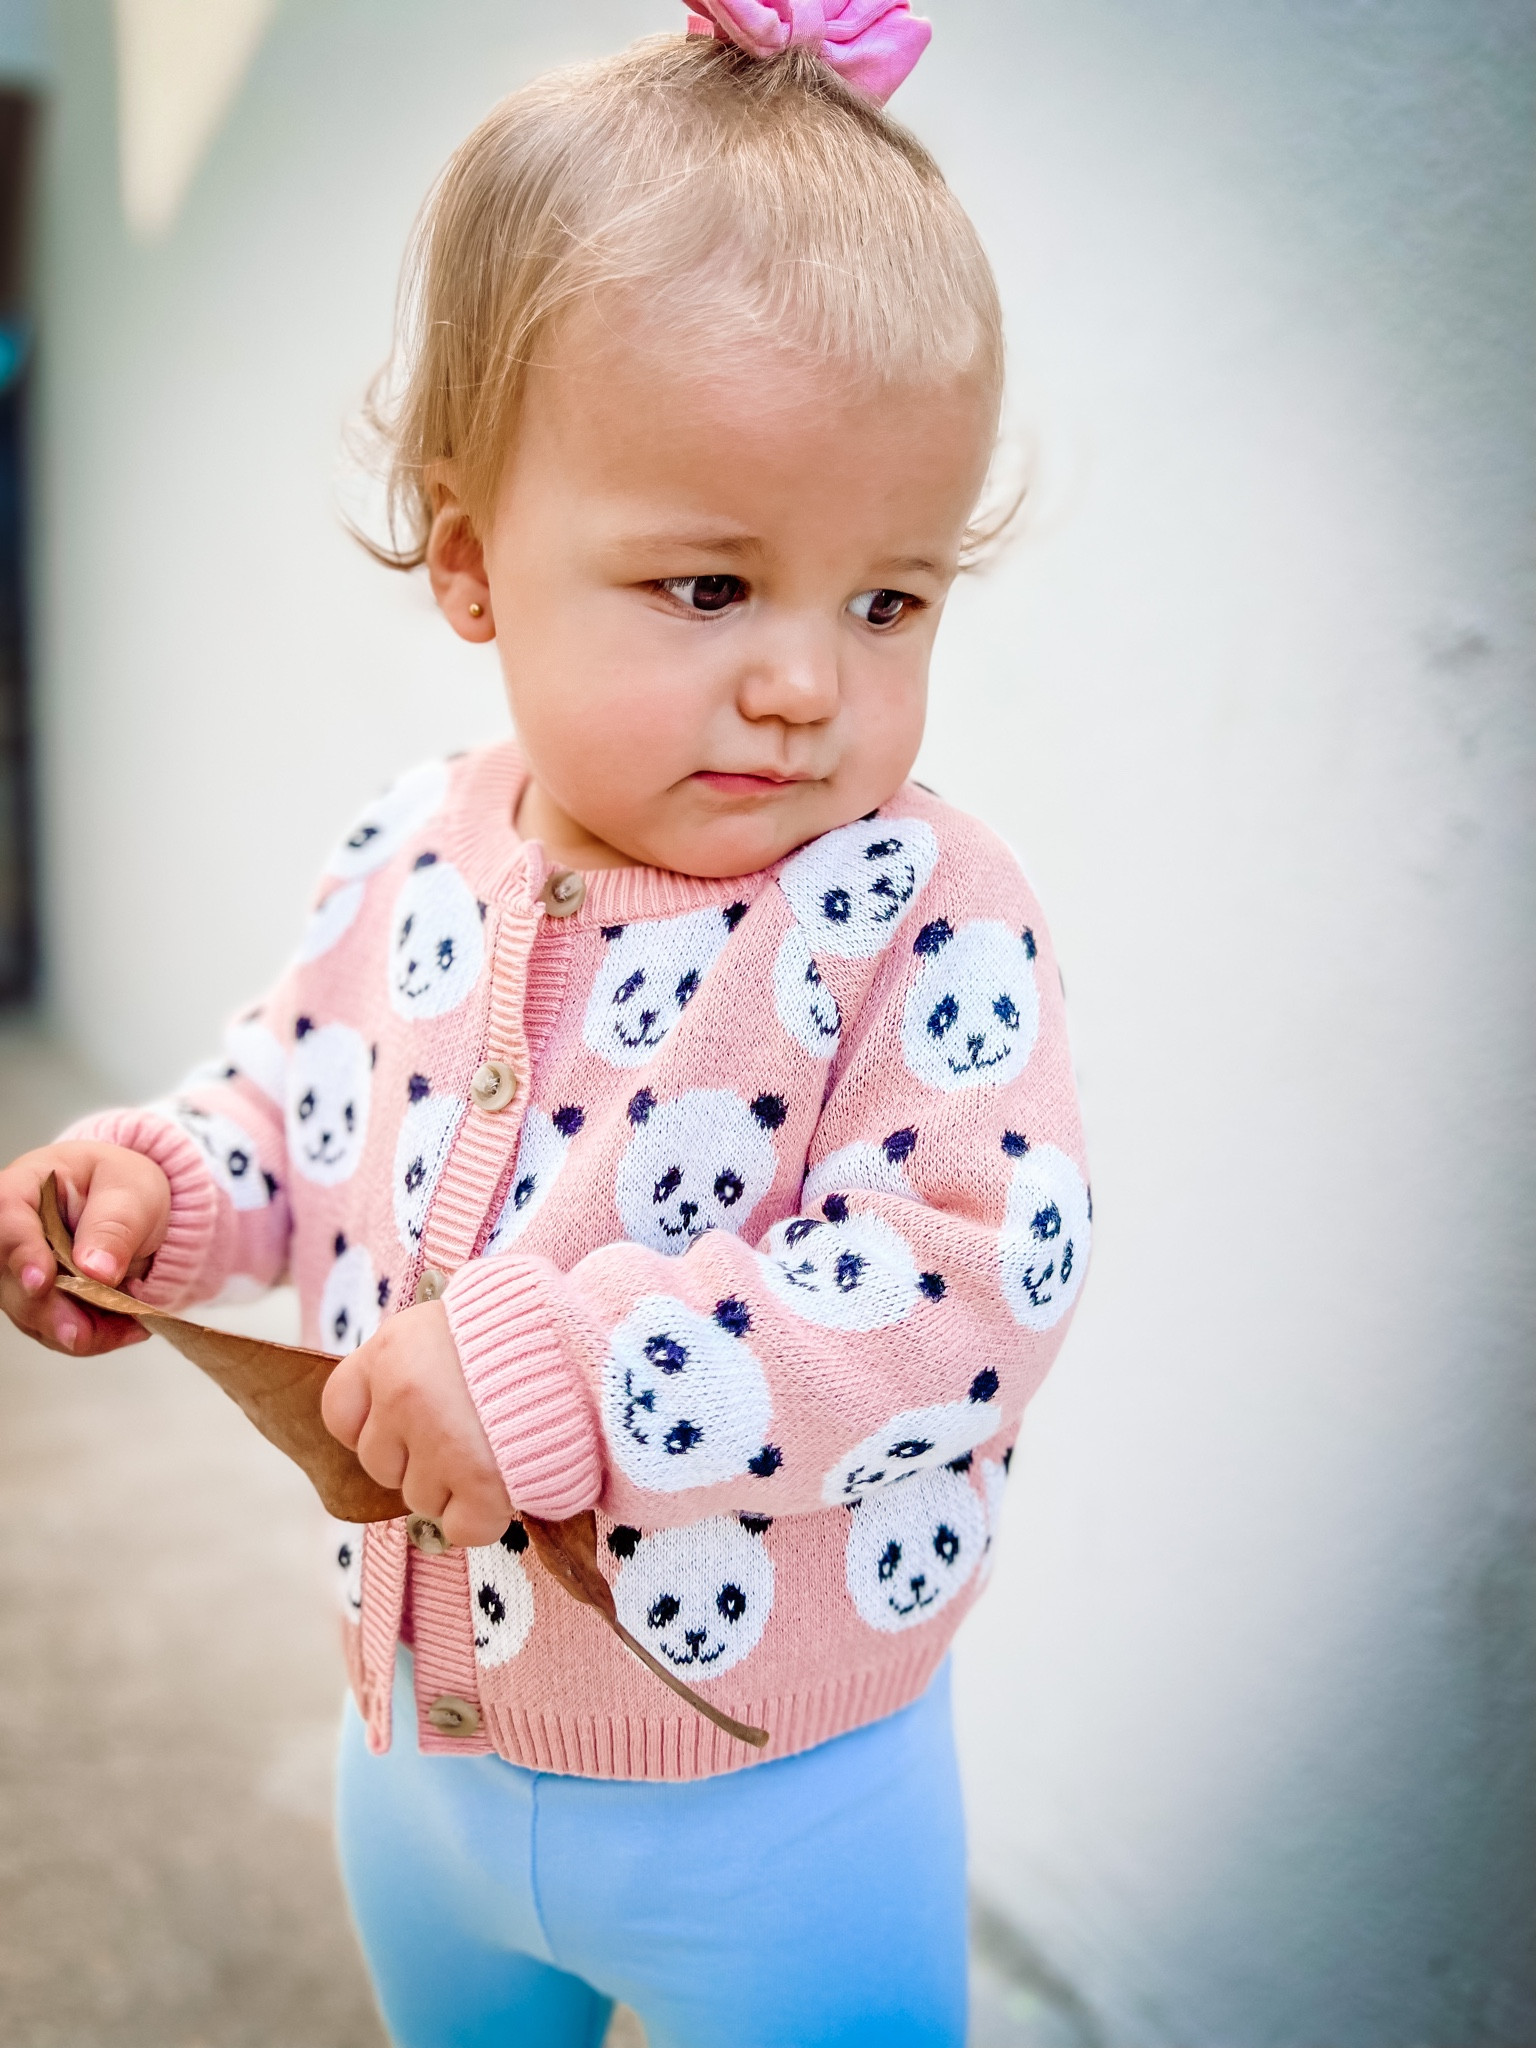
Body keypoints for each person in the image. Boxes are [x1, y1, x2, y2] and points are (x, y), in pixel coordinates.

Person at [0, 7, 1091, 2042]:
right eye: (709, 585)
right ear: (477, 558)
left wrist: (575, 1366)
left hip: (782, 1797)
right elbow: (295, 1105)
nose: (804, 685)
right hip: (420, 1753)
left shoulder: (918, 914)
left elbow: (959, 1286)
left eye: (890, 599)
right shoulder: (420, 844)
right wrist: (158, 1187)